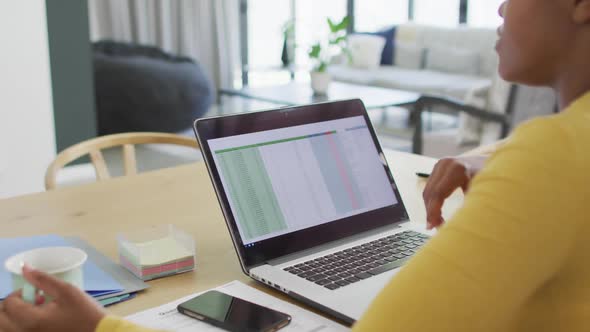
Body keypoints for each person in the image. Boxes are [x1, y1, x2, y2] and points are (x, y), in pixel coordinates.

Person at [1, 0, 590, 330]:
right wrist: (481, 156)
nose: (501, 5)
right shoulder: (555, 149)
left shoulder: (549, 160)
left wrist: (97, 329)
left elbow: (545, 168)